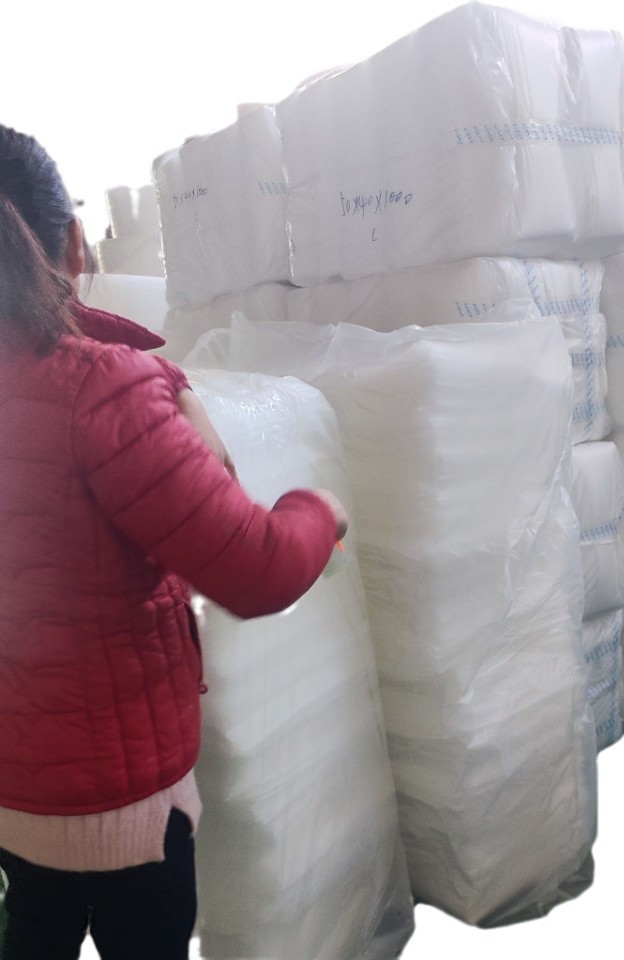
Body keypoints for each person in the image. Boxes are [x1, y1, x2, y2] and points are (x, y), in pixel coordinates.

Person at [0, 123, 348, 960]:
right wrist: (320, 508)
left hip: (13, 791)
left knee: (33, 935)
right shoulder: (102, 393)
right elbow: (257, 571)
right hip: (127, 810)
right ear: (74, 243)